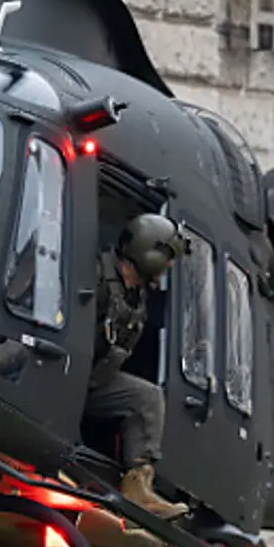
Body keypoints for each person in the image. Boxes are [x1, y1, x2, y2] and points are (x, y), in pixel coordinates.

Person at [85, 213, 189, 519]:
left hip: (90, 381)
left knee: (146, 398)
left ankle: (138, 489)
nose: (169, 266)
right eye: (167, 258)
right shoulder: (94, 277)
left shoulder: (137, 296)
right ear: (149, 252)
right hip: (59, 372)